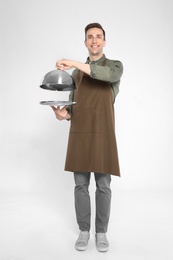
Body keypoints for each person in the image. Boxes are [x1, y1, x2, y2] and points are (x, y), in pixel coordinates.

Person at [51, 23, 123, 252]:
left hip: (103, 134)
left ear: (104, 41)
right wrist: (63, 115)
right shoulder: (75, 75)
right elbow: (73, 108)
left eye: (98, 37)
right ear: (85, 41)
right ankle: (84, 230)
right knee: (80, 185)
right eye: (90, 37)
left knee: (103, 186)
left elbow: (101, 75)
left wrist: (72, 62)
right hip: (80, 134)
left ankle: (101, 233)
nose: (94, 40)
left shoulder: (114, 66)